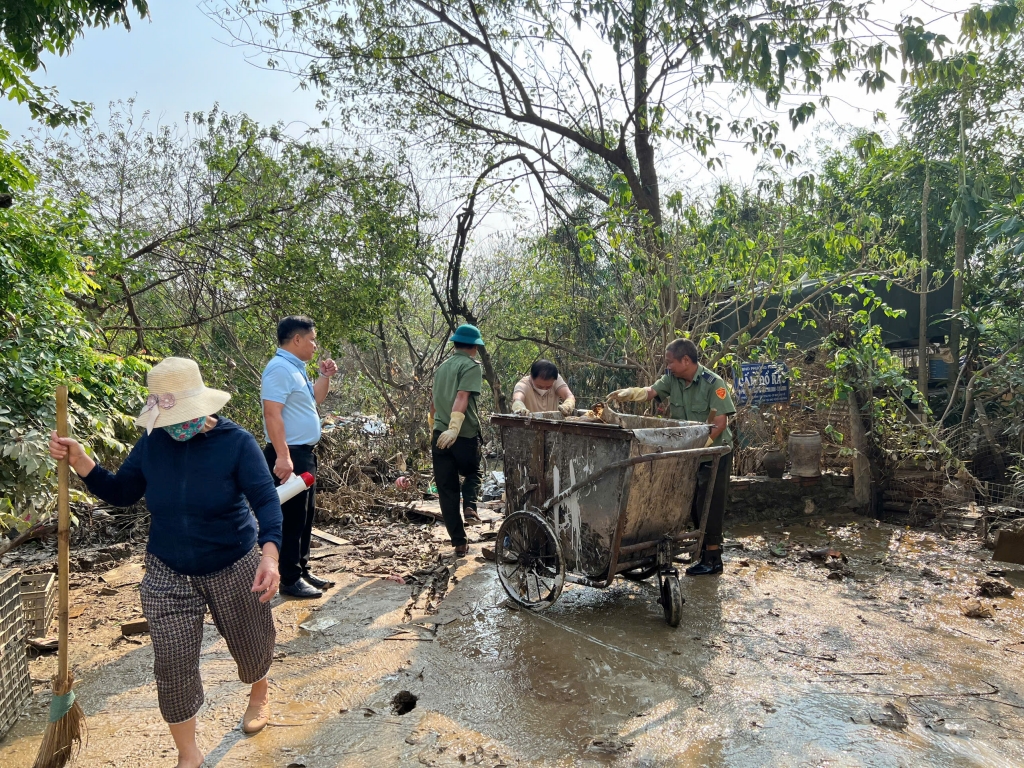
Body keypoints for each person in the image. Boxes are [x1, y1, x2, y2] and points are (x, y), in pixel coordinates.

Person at [48, 357, 282, 768]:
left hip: (234, 562)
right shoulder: (153, 442)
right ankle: (188, 753)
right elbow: (122, 492)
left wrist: (270, 555)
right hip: (167, 569)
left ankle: (259, 693)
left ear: (203, 407)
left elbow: (265, 500)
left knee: (251, 641)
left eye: (183, 416)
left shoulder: (236, 442)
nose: (177, 426)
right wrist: (83, 462)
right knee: (172, 663)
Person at [607, 338, 735, 575]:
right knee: (689, 503)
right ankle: (701, 550)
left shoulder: (713, 383)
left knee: (709, 504)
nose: (668, 367)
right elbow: (651, 391)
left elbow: (719, 423)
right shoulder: (672, 379)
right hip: (687, 454)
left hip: (713, 453)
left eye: (670, 362)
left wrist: (700, 448)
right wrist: (630, 394)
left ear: (686, 360)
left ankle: (713, 558)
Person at [261, 315, 339, 599]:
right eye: (312, 339)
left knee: (305, 516)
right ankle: (290, 579)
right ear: (296, 339)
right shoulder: (279, 369)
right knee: (291, 517)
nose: (315, 345)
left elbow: (315, 399)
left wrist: (325, 377)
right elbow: (272, 413)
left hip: (303, 453)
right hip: (289, 454)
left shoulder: (296, 368)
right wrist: (282, 456)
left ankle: (301, 569)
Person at [430, 324, 487, 556]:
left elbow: (433, 403)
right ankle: (470, 507)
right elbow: (462, 396)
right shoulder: (471, 366)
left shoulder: (442, 367)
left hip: (439, 435)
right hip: (462, 435)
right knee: (474, 473)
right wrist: (454, 429)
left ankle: (459, 543)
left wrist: (435, 429)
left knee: (447, 489)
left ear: (455, 343)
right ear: (474, 346)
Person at [510, 359, 577, 415]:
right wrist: (519, 408)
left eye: (548, 386)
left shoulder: (556, 379)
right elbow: (517, 399)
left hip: (554, 425)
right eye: (539, 386)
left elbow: (569, 396)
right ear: (531, 377)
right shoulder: (523, 384)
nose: (544, 389)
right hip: (529, 427)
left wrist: (568, 404)